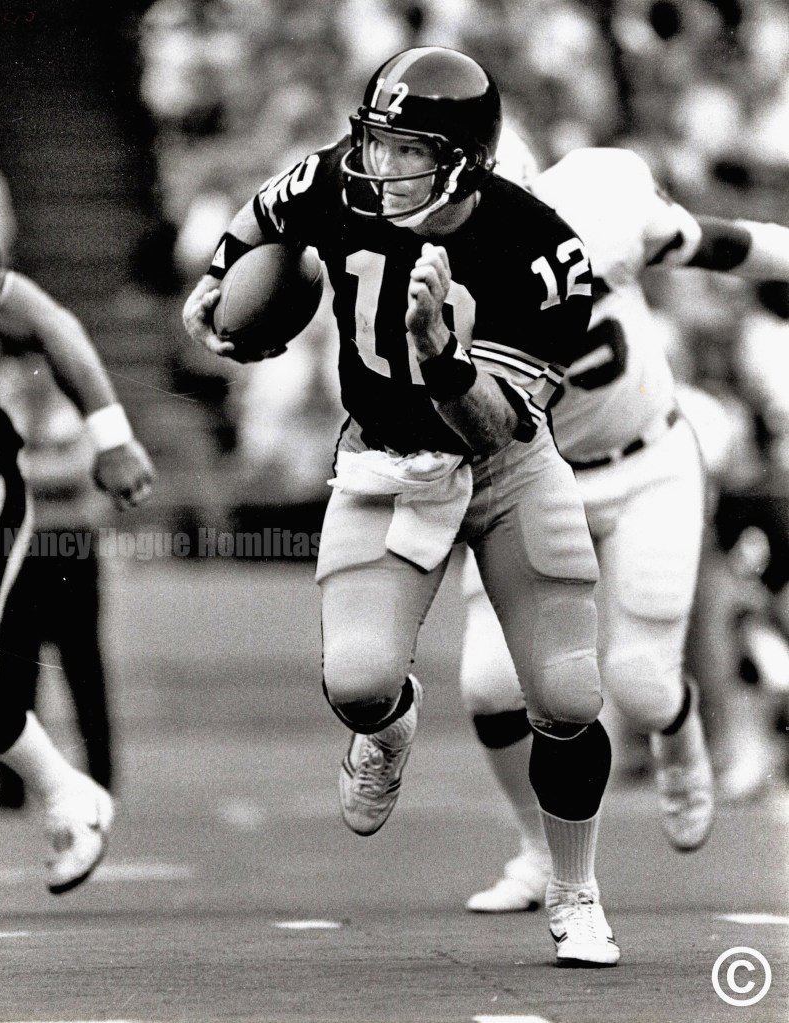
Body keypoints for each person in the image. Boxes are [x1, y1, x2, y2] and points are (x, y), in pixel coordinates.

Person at [184, 46, 620, 968]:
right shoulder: (339, 180)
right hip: (385, 458)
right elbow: (266, 210)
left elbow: (498, 428)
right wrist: (220, 276)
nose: (379, 165)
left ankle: (576, 890)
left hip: (504, 468)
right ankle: (390, 726)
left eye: (407, 150)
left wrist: (442, 355)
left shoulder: (542, 254)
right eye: (377, 143)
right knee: (357, 683)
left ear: (463, 163)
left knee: (567, 695)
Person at [459, 143, 789, 913]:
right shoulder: (432, 274)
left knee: (640, 682)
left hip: (645, 465)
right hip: (531, 478)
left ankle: (680, 738)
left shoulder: (599, 205)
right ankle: (537, 851)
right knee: (489, 682)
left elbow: (723, 243)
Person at [0, 227, 155, 900]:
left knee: (74, 661)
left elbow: (48, 321)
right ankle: (67, 793)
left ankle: (71, 793)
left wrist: (112, 439)